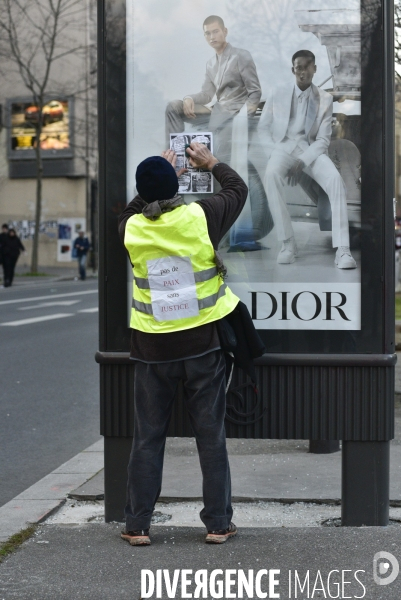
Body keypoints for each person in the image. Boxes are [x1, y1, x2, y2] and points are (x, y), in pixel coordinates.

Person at [118, 142, 248, 546]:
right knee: (210, 436)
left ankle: (137, 525)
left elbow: (131, 208)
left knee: (148, 437)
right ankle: (218, 523)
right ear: (176, 187)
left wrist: (156, 178)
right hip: (202, 346)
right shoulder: (199, 216)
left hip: (152, 350)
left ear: (142, 193)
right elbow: (237, 189)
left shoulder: (131, 228)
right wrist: (211, 164)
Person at [257, 49, 356, 269]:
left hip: (310, 150)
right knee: (271, 175)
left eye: (307, 66)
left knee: (336, 182)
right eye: (299, 67)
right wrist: (274, 153)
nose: (303, 72)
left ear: (315, 68)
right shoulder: (278, 93)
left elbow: (322, 140)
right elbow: (263, 129)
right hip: (282, 147)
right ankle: (288, 243)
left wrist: (302, 162)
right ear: (293, 70)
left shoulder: (325, 98)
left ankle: (343, 250)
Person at [165, 15, 262, 163]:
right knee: (174, 107)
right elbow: (206, 95)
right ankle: (174, 156)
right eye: (207, 33)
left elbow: (255, 92)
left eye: (215, 31)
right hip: (216, 112)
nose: (212, 37)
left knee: (214, 159)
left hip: (234, 117)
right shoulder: (210, 64)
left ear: (225, 31)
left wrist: (243, 120)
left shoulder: (241, 56)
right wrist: (188, 98)